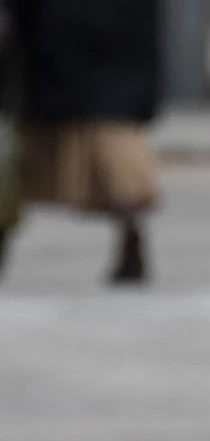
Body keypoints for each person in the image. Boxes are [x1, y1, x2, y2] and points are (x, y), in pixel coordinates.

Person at [0, 0, 161, 283]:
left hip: (63, 49)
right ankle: (128, 228)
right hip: (97, 56)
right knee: (112, 156)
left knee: (20, 163)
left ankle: (128, 229)